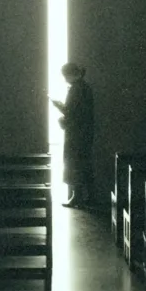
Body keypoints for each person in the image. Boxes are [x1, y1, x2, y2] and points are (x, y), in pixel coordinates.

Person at [50, 63, 94, 208]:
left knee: (74, 164)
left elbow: (72, 112)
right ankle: (86, 196)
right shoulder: (84, 88)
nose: (64, 79)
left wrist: (60, 107)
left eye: (65, 76)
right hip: (84, 133)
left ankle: (77, 196)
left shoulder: (77, 89)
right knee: (81, 164)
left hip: (76, 134)